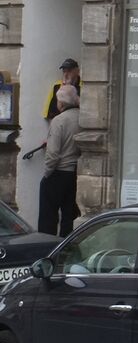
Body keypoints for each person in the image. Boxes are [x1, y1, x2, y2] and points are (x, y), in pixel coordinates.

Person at [37, 82, 80, 242]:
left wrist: (47, 174)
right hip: (74, 173)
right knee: (68, 217)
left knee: (48, 218)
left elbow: (53, 153)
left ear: (60, 103)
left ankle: (46, 247)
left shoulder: (59, 120)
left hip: (58, 173)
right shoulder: (82, 117)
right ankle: (66, 248)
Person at [44, 57, 81, 123]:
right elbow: (49, 114)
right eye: (64, 71)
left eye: (69, 71)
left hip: (79, 123)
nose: (66, 75)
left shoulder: (85, 87)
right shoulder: (57, 86)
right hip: (61, 124)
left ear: (77, 71)